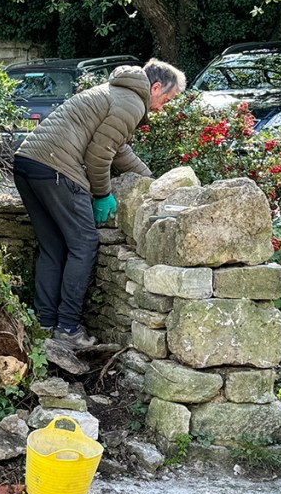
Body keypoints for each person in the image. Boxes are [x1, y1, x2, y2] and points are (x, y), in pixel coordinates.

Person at [13, 59, 186, 349]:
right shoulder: (131, 103)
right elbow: (99, 155)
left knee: (54, 247)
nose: (161, 108)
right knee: (84, 245)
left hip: (28, 163)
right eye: (166, 100)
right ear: (155, 87)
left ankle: (44, 323)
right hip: (57, 168)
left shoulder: (116, 93)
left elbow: (117, 149)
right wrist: (102, 193)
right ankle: (67, 328)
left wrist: (151, 180)